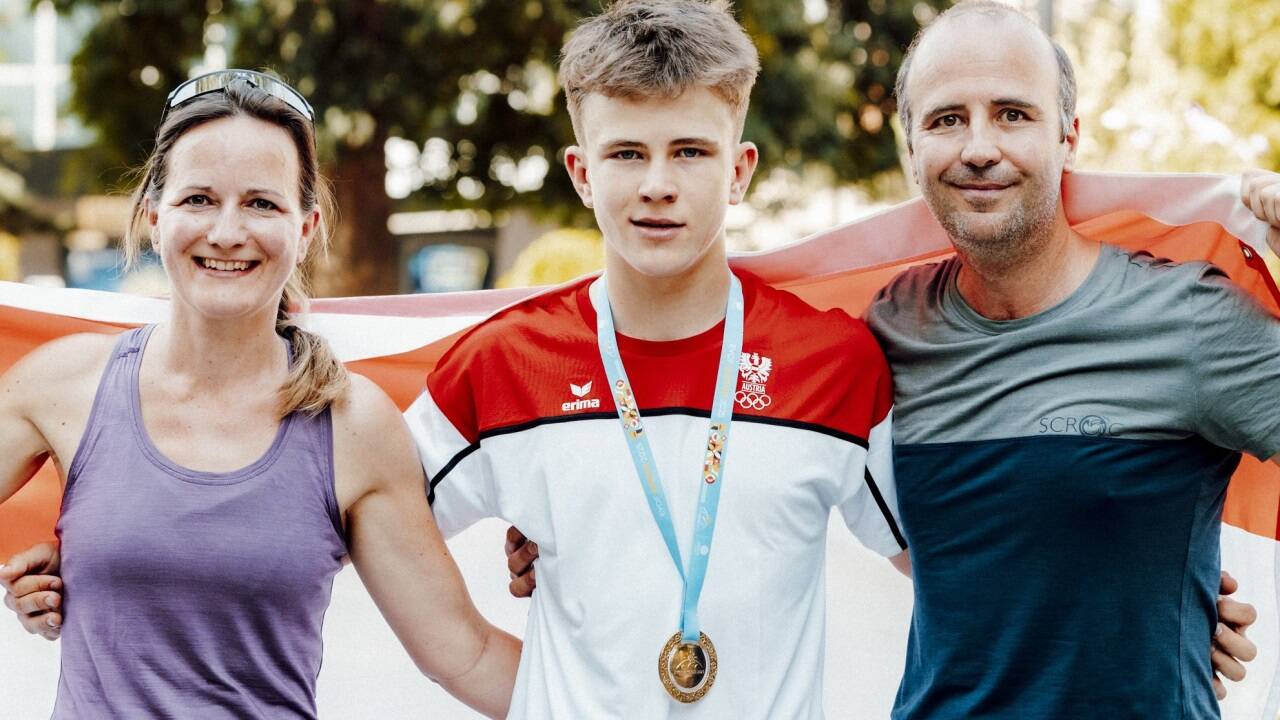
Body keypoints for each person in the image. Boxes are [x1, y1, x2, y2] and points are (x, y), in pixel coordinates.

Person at [0, 70, 519, 718]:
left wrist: (646, 700)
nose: (226, 231)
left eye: (261, 203)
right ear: (155, 217)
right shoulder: (61, 385)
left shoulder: (353, 425)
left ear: (305, 227)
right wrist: (73, 577)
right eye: (198, 200)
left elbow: (465, 655)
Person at [865, 2, 1278, 717]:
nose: (979, 147)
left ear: (1069, 138)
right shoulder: (890, 329)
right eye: (945, 119)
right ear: (911, 150)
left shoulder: (1187, 318)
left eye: (1013, 114)